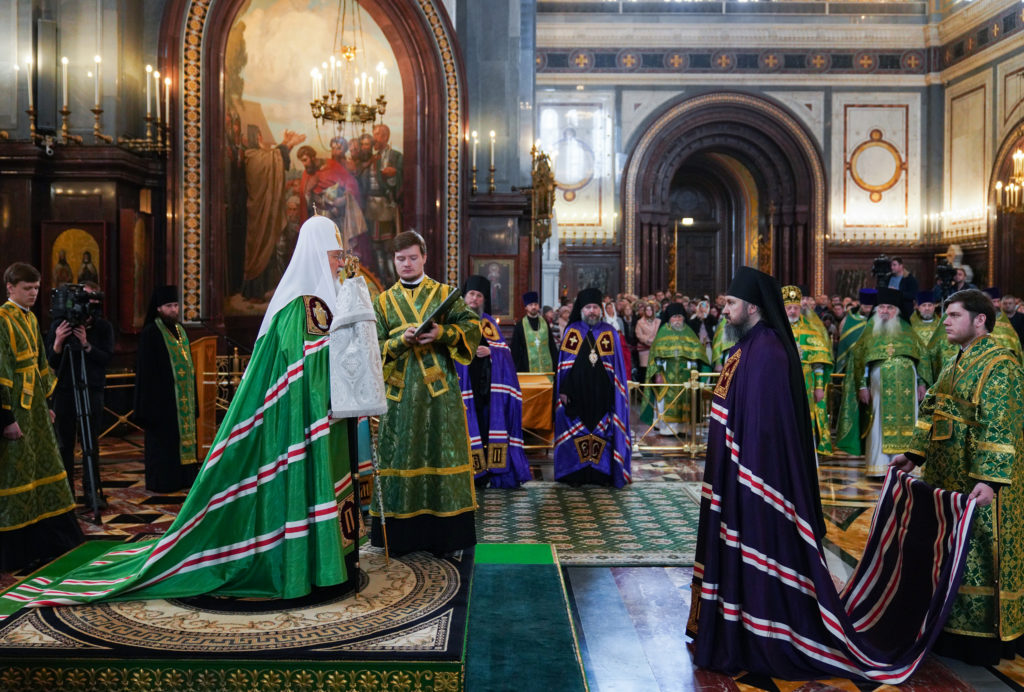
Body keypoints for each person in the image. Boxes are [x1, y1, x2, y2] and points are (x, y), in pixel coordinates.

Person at [17, 216, 376, 605]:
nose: (340, 262)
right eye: (335, 255)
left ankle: (329, 563)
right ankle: (309, 568)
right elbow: (307, 369)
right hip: (303, 422)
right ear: (317, 253)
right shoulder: (303, 308)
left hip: (325, 418)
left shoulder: (320, 303)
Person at [689, 267, 980, 681]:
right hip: (738, 474)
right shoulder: (749, 346)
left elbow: (765, 430)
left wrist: (744, 475)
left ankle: (759, 631)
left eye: (732, 303)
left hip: (756, 479)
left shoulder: (767, 350)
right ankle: (734, 627)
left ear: (753, 307)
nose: (726, 309)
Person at [890, 288, 1024, 666]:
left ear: (980, 320)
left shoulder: (1001, 364)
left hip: (980, 482)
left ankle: (981, 639)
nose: (945, 321)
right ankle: (950, 628)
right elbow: (931, 407)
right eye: (945, 314)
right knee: (953, 547)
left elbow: (1001, 423)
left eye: (954, 315)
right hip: (949, 477)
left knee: (981, 550)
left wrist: (991, 479)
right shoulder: (955, 360)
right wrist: (914, 454)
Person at [372, 230, 481, 555]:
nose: (406, 264)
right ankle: (401, 537)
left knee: (440, 454)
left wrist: (442, 333)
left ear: (424, 257)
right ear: (394, 261)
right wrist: (399, 341)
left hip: (439, 396)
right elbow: (371, 345)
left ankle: (445, 537)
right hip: (400, 396)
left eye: (412, 257)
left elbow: (472, 327)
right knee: (400, 455)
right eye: (400, 259)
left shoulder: (444, 294)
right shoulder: (383, 301)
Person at [0, 262, 83, 571]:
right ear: (10, 287)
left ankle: (46, 543)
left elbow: (39, 365)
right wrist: (6, 418)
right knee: (17, 472)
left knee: (43, 469)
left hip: (34, 409)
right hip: (15, 411)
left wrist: (44, 403)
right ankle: (16, 552)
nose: (33, 293)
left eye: (36, 288)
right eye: (27, 288)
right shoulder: (2, 320)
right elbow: (2, 371)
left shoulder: (31, 318)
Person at [836, 287, 929, 476]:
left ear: (897, 310)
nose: (885, 311)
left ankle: (909, 466)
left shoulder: (908, 331)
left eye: (889, 307)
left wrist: (922, 383)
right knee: (878, 422)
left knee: (910, 422)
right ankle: (880, 467)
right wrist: (862, 386)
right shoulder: (870, 330)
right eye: (882, 307)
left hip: (908, 386)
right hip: (879, 386)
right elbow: (860, 361)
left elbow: (921, 358)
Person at [456, 275, 531, 488]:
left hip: (488, 390)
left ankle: (489, 472)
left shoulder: (489, 323)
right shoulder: (454, 321)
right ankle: (470, 473)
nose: (474, 299)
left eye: (479, 296)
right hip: (463, 386)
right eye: (471, 294)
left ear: (484, 300)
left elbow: (505, 354)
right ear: (464, 296)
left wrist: (491, 351)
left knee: (486, 427)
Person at [553, 287, 631, 487]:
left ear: (601, 310)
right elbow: (563, 367)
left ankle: (601, 473)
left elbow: (617, 369)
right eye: (588, 307)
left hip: (602, 395)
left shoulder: (609, 332)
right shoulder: (572, 331)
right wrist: (563, 390)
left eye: (595, 307)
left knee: (601, 432)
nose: (592, 311)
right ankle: (575, 472)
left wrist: (615, 395)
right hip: (575, 394)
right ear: (581, 309)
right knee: (577, 431)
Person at [45, 281, 115, 503]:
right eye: (84, 299)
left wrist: (86, 344)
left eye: (92, 299)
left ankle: (91, 491)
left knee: (90, 442)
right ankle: (66, 494)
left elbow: (106, 359)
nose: (88, 304)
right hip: (65, 390)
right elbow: (50, 362)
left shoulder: (103, 327)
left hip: (92, 389)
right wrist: (58, 342)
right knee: (64, 443)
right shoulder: (60, 325)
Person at [133, 285, 199, 493]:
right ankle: (163, 482)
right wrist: (150, 406)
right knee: (164, 445)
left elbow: (189, 368)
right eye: (169, 306)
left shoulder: (180, 331)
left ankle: (185, 478)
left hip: (182, 401)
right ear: (159, 308)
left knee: (180, 442)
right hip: (161, 403)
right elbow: (146, 373)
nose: (174, 310)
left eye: (176, 305)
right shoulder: (151, 333)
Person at [643, 303, 709, 436]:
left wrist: (695, 369)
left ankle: (683, 429)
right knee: (665, 401)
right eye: (674, 317)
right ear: (669, 318)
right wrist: (657, 374)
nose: (677, 320)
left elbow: (697, 354)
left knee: (686, 400)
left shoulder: (689, 332)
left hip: (686, 373)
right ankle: (667, 429)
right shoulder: (663, 331)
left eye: (680, 317)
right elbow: (656, 355)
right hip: (667, 373)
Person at [783, 285, 833, 456]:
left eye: (795, 307)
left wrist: (819, 387)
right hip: (781, 381)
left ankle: (806, 455)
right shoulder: (775, 331)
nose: (792, 311)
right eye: (789, 308)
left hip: (806, 381)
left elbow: (818, 364)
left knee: (804, 416)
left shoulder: (812, 330)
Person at [511, 291, 558, 374]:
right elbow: (516, 350)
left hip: (547, 367)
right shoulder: (520, 325)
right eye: (530, 305)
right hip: (527, 368)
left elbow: (551, 344)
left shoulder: (545, 323)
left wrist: (556, 363)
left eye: (535, 304)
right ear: (526, 307)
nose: (533, 307)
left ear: (538, 306)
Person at [836, 288, 874, 373]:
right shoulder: (850, 318)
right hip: (852, 360)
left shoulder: (878, 319)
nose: (868, 310)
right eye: (866, 307)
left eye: (870, 307)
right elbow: (844, 337)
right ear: (860, 305)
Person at [984, 287, 1024, 362]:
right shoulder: (979, 318)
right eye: (993, 301)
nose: (996, 305)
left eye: (998, 301)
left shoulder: (1003, 318)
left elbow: (1013, 341)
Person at [634, 301, 660, 382]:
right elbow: (639, 335)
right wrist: (648, 340)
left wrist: (653, 340)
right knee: (644, 371)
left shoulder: (658, 321)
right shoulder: (640, 322)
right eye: (647, 310)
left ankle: (654, 388)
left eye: (650, 310)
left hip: (655, 349)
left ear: (653, 311)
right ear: (644, 311)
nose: (649, 312)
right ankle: (644, 388)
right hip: (644, 349)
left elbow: (659, 334)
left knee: (654, 370)